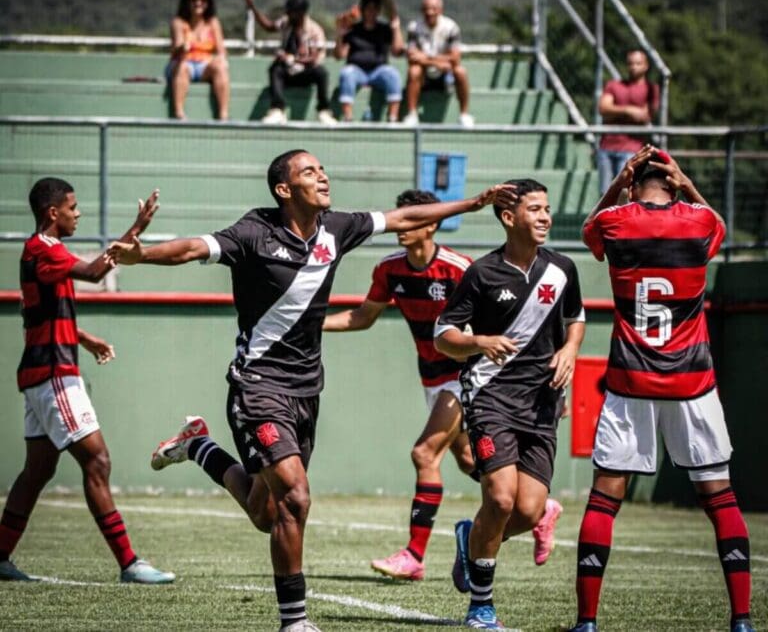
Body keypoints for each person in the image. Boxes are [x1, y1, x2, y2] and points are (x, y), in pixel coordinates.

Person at [106, 150, 510, 632]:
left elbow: (404, 216)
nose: (322, 176)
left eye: (322, 169)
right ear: (284, 189)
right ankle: (294, 622)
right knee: (296, 498)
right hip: (257, 386)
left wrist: (471, 204)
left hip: (306, 391)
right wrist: (142, 254)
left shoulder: (337, 228)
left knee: (265, 511)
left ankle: (198, 445)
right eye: (309, 172)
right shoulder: (254, 232)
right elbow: (194, 247)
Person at [569, 146, 754, 632]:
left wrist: (617, 185)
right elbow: (720, 225)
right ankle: (741, 618)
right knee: (721, 499)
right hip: (693, 381)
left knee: (605, 500)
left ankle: (587, 622)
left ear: (632, 184)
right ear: (671, 183)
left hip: (631, 380)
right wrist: (688, 181)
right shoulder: (696, 222)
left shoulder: (616, 222)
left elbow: (590, 229)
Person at [0, 178, 174, 585]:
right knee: (97, 461)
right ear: (52, 213)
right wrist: (137, 228)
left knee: (37, 472)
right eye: (73, 207)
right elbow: (97, 271)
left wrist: (84, 337)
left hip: (41, 372)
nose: (78, 214)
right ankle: (130, 564)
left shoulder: (44, 252)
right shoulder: (43, 250)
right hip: (54, 375)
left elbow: (40, 315)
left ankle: (0, 556)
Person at [434, 179, 585, 629]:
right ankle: (481, 607)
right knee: (499, 500)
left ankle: (470, 538)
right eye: (535, 209)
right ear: (508, 217)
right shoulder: (481, 273)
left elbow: (576, 319)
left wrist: (571, 350)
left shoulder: (563, 269)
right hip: (490, 400)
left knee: (529, 510)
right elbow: (444, 337)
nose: (545, 217)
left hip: (542, 404)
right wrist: (479, 340)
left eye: (547, 208)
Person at [323, 189, 474, 580]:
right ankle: (539, 508)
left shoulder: (459, 269)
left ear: (433, 223)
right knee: (470, 460)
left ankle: (414, 555)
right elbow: (362, 317)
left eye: (412, 219)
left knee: (424, 455)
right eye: (400, 218)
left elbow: (494, 325)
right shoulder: (390, 270)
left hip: (466, 377)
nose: (400, 227)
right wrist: (311, 323)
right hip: (432, 377)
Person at [243, 0, 336, 126]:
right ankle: (277, 109)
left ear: (301, 13)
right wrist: (252, 6)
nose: (289, 15)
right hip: (288, 72)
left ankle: (324, 111)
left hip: (305, 72)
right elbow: (268, 26)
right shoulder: (286, 23)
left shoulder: (314, 30)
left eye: (293, 12)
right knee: (275, 69)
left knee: (321, 73)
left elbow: (314, 59)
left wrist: (291, 59)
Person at [333, 0, 404, 123]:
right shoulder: (353, 30)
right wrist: (340, 35)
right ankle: (348, 117)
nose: (371, 12)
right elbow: (339, 55)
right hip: (357, 70)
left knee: (393, 75)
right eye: (368, 8)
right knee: (346, 74)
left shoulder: (384, 29)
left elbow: (397, 51)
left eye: (375, 9)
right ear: (363, 10)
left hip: (378, 71)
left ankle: (393, 117)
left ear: (378, 11)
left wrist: (396, 27)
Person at [403, 0, 473, 128]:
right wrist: (438, 62)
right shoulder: (414, 27)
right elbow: (412, 57)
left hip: (445, 75)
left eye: (433, 8)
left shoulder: (451, 27)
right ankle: (412, 114)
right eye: (426, 8)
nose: (429, 12)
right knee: (414, 71)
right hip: (425, 73)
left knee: (461, 71)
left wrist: (425, 57)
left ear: (440, 10)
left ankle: (464, 115)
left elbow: (455, 58)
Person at [596, 49, 659, 193]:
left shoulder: (651, 89)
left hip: (631, 149)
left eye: (638, 63)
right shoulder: (614, 85)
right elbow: (603, 109)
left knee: (625, 191)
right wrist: (629, 110)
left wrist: (614, 111)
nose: (634, 67)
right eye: (630, 63)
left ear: (646, 65)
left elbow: (645, 116)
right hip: (606, 146)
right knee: (605, 193)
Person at [167, 0, 230, 120]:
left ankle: (223, 115)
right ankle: (179, 112)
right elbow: (176, 49)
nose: (198, 3)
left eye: (203, 0)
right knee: (182, 66)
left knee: (220, 67)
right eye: (194, 0)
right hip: (183, 64)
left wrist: (220, 58)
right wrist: (183, 47)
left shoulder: (213, 23)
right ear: (187, 2)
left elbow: (221, 50)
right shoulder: (178, 23)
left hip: (204, 65)